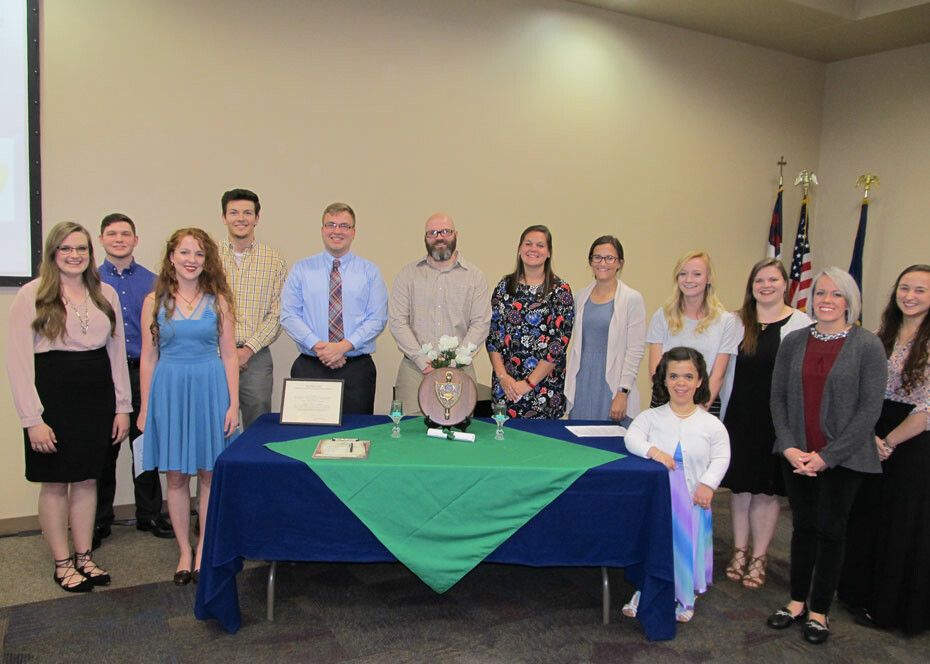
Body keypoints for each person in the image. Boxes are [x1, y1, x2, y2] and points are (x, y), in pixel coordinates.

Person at [7, 221, 131, 592]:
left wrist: (122, 406)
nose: (74, 255)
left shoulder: (104, 292)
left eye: (81, 249)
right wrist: (33, 419)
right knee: (56, 482)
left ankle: (84, 555)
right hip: (53, 399)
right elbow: (17, 362)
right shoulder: (31, 296)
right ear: (52, 253)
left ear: (90, 254)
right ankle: (62, 563)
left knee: (88, 478)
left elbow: (117, 352)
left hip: (96, 399)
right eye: (66, 249)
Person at [766, 267, 886, 645]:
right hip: (797, 454)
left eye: (836, 294)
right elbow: (779, 397)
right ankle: (797, 601)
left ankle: (820, 611)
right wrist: (788, 446)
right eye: (821, 293)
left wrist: (827, 456)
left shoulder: (867, 345)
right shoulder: (794, 341)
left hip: (843, 459)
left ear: (850, 301)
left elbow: (869, 410)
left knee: (831, 533)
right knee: (802, 528)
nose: (827, 301)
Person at [138, 228, 239, 585]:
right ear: (171, 258)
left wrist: (233, 405)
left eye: (198, 254)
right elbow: (148, 359)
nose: (191, 260)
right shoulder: (154, 301)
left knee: (210, 474)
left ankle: (202, 550)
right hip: (170, 390)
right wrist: (146, 407)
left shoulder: (220, 301)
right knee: (177, 475)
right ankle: (184, 550)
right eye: (184, 253)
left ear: (206, 260)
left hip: (211, 388)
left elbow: (229, 356)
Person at [838, 264, 930, 633]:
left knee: (901, 525)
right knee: (867, 516)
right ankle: (858, 592)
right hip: (871, 433)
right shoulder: (880, 336)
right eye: (904, 288)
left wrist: (888, 441)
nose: (909, 296)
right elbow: (860, 388)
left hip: (912, 443)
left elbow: (927, 410)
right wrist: (869, 437)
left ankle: (890, 606)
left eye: (920, 290)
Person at [720, 258, 811, 588]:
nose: (766, 285)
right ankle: (739, 551)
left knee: (767, 490)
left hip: (777, 419)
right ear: (751, 285)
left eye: (773, 279)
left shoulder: (801, 323)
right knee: (741, 486)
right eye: (759, 280)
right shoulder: (735, 321)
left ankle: (760, 555)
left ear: (785, 284)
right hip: (740, 414)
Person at [623, 346, 730, 623]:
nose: (681, 383)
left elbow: (721, 457)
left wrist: (708, 484)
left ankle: (684, 595)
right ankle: (645, 590)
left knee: (685, 547)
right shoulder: (650, 418)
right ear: (664, 380)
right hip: (659, 501)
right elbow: (631, 439)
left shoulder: (711, 424)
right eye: (673, 376)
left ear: (700, 381)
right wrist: (655, 452)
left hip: (692, 500)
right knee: (655, 545)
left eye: (688, 376)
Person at [94, 213, 173, 548]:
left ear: (136, 240)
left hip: (143, 370)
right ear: (102, 240)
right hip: (104, 373)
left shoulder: (154, 283)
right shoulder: (91, 281)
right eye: (112, 234)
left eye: (125, 234)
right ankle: (98, 520)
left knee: (144, 445)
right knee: (103, 447)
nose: (119, 239)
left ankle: (149, 513)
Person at [281, 202, 388, 414]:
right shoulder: (301, 270)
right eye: (331, 224)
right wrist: (321, 347)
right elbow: (289, 315)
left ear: (353, 232)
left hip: (356, 368)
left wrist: (342, 347)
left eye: (344, 226)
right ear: (322, 230)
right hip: (310, 365)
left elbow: (377, 319)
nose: (337, 231)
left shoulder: (369, 272)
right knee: (305, 437)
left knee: (356, 434)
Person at [389, 213, 491, 414]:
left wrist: (453, 363)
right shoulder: (408, 275)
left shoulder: (475, 277)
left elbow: (480, 324)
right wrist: (422, 361)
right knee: (411, 436)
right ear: (425, 238)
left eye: (445, 231)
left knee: (459, 434)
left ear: (455, 235)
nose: (439, 237)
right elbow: (397, 322)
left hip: (460, 369)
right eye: (432, 233)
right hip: (415, 371)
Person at [486, 225, 574, 419]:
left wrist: (527, 384)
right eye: (528, 244)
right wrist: (503, 378)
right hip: (505, 389)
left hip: (543, 391)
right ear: (519, 249)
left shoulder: (560, 291)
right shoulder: (504, 287)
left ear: (549, 252)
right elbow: (493, 337)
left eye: (540, 245)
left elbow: (557, 347)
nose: (533, 249)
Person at [219, 188, 288, 429]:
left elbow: (278, 314)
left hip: (256, 357)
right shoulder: (209, 258)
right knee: (214, 425)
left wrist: (247, 350)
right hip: (214, 356)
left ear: (257, 219)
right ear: (224, 217)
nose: (241, 218)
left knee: (257, 427)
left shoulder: (273, 260)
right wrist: (225, 353)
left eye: (247, 213)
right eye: (234, 212)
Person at [646, 250, 740, 417]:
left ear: (708, 278)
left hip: (705, 403)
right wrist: (672, 411)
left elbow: (718, 375)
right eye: (683, 274)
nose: (689, 280)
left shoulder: (726, 321)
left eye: (697, 274)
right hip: (665, 402)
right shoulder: (663, 315)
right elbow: (656, 370)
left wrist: (696, 414)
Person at [565, 235, 646, 424]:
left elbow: (635, 350)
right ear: (590, 262)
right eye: (597, 257)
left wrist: (622, 392)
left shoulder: (631, 299)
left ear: (620, 263)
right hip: (583, 381)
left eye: (610, 258)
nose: (603, 263)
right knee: (579, 441)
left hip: (613, 384)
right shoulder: (580, 297)